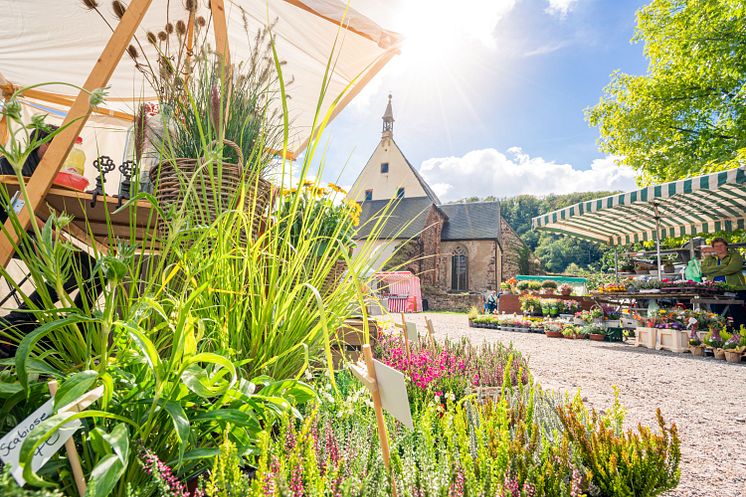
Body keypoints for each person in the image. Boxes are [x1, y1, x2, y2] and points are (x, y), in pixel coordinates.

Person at [0, 129, 103, 356]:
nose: (65, 154)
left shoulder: (41, 170)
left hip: (28, 234)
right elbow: (15, 207)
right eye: (62, 147)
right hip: (10, 233)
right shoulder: (11, 165)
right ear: (45, 145)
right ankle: (16, 322)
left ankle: (75, 324)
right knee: (82, 268)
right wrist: (53, 233)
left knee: (95, 269)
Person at [701, 237, 746, 327]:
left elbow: (732, 269)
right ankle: (720, 337)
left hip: (736, 289)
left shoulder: (735, 256)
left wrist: (713, 271)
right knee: (718, 317)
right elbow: (704, 270)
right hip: (716, 291)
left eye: (721, 245)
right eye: (716, 246)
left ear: (726, 246)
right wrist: (723, 266)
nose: (719, 248)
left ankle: (741, 336)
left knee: (738, 316)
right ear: (713, 248)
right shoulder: (711, 258)